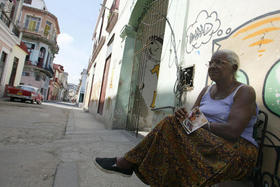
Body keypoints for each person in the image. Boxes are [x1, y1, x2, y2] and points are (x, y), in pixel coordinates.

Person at [94, 49, 258, 186]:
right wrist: (184, 117)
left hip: (235, 152)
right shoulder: (207, 90)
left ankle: (126, 162)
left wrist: (202, 124)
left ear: (234, 67)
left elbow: (233, 131)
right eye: (211, 63)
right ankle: (129, 164)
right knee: (170, 136)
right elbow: (190, 123)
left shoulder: (244, 91)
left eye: (219, 62)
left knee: (169, 126)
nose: (213, 66)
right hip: (207, 145)